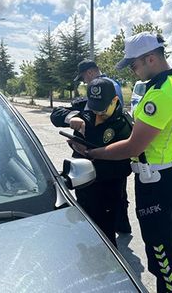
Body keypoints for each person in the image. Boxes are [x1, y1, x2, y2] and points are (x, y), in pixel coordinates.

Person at [69, 32, 172, 293]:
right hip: (171, 169)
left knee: (160, 251)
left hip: (154, 180)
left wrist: (94, 153)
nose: (133, 71)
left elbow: (134, 146)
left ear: (150, 59)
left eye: (134, 65)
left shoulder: (160, 94)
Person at [51, 77, 133, 246]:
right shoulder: (85, 108)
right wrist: (71, 118)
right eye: (94, 107)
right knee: (85, 226)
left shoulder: (123, 123)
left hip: (108, 186)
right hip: (82, 182)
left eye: (102, 109)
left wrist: (92, 155)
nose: (97, 113)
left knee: (105, 234)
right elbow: (56, 114)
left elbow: (125, 165)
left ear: (115, 101)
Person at [74, 58, 131, 234]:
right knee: (117, 196)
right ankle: (121, 225)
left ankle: (118, 225)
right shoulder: (109, 85)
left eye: (84, 77)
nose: (84, 81)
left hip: (109, 159)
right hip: (103, 163)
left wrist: (92, 151)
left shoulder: (107, 88)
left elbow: (113, 121)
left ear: (90, 72)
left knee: (114, 196)